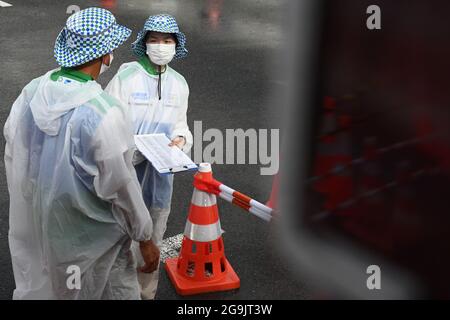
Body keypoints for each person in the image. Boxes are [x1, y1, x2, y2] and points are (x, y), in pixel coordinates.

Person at [3, 7, 160, 300]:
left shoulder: (31, 92)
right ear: (104, 55)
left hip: (45, 226)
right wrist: (145, 237)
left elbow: (16, 154)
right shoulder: (104, 112)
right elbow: (122, 187)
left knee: (54, 288)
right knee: (106, 289)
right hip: (96, 238)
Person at [106, 14, 193, 299]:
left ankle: (145, 294)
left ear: (175, 44)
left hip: (159, 178)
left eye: (167, 40)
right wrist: (133, 149)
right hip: (123, 173)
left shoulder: (179, 83)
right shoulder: (127, 76)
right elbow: (107, 125)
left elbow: (181, 124)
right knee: (118, 236)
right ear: (144, 44)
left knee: (153, 238)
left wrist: (181, 140)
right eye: (154, 40)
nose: (160, 45)